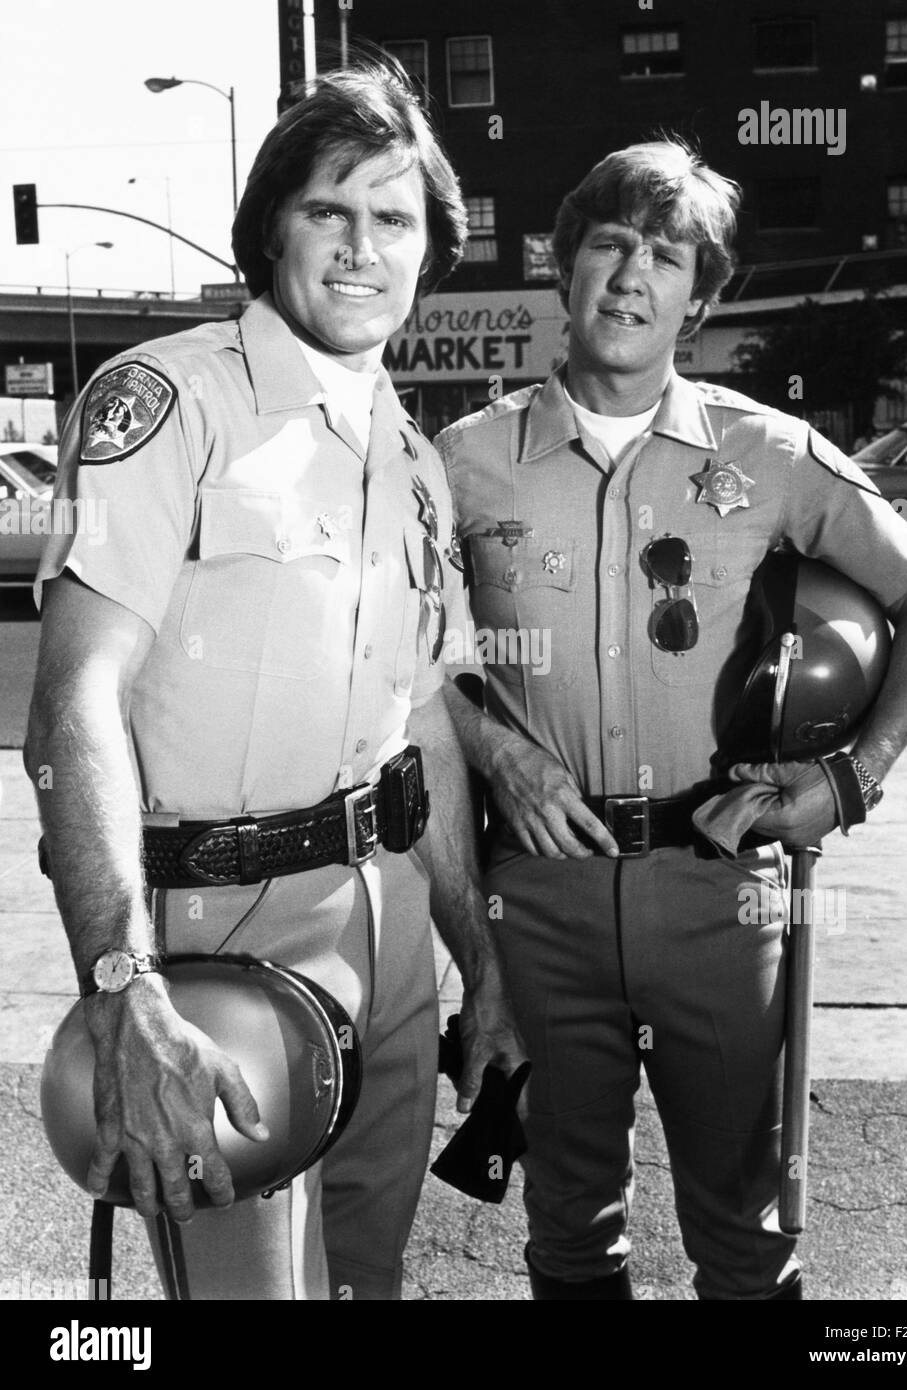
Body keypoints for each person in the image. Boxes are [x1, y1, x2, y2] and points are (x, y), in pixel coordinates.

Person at [25, 55, 524, 1301]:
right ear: (272, 229)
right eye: (329, 210)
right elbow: (73, 700)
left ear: (428, 250)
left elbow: (425, 726)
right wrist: (122, 983)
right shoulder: (166, 399)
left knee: (366, 1283)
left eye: (393, 219)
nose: (363, 248)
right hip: (213, 941)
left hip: (390, 928)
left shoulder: (410, 456)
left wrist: (485, 957)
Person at [435, 138, 907, 1300]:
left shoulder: (768, 451)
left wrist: (847, 782)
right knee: (568, 1230)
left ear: (701, 295)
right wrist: (492, 747)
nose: (633, 275)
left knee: (744, 1235)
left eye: (666, 256)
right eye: (611, 244)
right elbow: (408, 660)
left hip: (723, 890)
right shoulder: (464, 463)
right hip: (538, 895)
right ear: (564, 263)